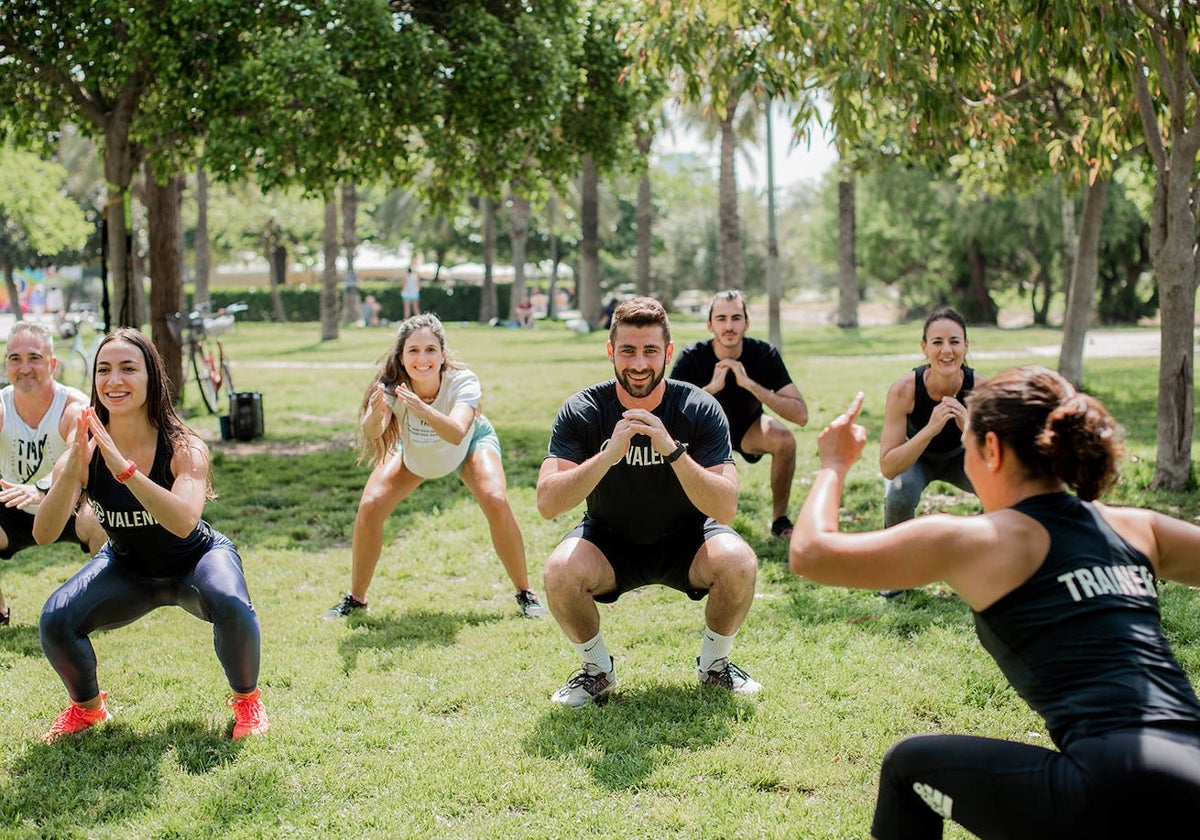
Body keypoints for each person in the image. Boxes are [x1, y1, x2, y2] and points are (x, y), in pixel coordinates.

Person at [789, 367, 1200, 839]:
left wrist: (832, 466)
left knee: (909, 766)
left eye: (965, 447)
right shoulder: (1138, 528)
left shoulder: (978, 539)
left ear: (992, 449)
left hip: (1113, 787)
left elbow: (810, 554)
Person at [33, 328, 268, 743]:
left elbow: (182, 522)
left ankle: (247, 699)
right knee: (55, 619)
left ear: (151, 378)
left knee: (231, 603)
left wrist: (125, 470)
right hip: (127, 567)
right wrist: (73, 467)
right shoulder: (84, 451)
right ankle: (88, 710)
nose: (114, 380)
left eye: (128, 368)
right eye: (103, 370)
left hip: (195, 560)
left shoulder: (185, 445)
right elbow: (44, 533)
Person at [538, 296, 761, 708]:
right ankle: (596, 672)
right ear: (610, 351)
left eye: (650, 351)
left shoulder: (697, 407)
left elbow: (726, 507)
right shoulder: (584, 409)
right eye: (627, 350)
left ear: (667, 353)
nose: (638, 363)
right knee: (558, 572)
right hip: (609, 539)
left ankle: (715, 666)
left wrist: (672, 449)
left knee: (740, 561)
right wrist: (608, 454)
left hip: (688, 538)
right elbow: (548, 502)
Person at [323, 313, 547, 620]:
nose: (422, 358)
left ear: (443, 354)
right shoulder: (393, 386)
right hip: (418, 452)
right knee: (371, 506)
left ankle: (526, 593)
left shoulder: (463, 381)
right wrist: (376, 413)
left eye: (430, 349)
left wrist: (422, 409)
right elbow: (371, 432)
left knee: (495, 499)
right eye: (413, 350)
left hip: (468, 444)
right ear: (401, 358)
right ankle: (357, 598)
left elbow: (456, 433)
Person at [671, 290, 808, 538]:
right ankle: (689, 520)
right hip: (702, 435)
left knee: (784, 440)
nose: (729, 326)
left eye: (736, 318)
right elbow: (668, 416)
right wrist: (710, 390)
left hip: (748, 428)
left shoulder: (764, 354)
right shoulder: (692, 357)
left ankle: (780, 520)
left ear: (746, 322)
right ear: (710, 324)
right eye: (721, 318)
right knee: (672, 446)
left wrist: (750, 385)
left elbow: (801, 415)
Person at [0, 322, 106, 626]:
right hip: (13, 506)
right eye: (15, 359)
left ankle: (98, 610)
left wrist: (44, 489)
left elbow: (75, 456)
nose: (24, 368)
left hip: (67, 504)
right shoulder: (2, 406)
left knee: (99, 519)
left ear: (53, 364)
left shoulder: (74, 407)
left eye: (34, 358)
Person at [877, 307, 984, 596]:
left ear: (965, 346)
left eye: (954, 341)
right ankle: (895, 573)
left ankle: (984, 562)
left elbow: (996, 460)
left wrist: (968, 426)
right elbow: (888, 467)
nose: (946, 350)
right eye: (937, 342)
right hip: (916, 458)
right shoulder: (904, 390)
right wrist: (930, 429)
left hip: (961, 458)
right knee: (898, 492)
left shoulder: (981, 390)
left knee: (998, 489)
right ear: (924, 348)